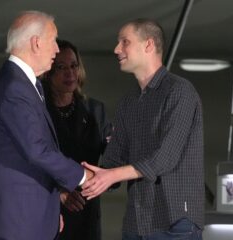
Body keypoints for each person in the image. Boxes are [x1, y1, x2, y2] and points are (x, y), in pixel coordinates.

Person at [0, 11, 92, 240]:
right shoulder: (14, 88)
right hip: (14, 223)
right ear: (36, 43)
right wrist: (85, 176)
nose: (57, 50)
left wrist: (49, 208)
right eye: (53, 41)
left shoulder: (25, 84)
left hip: (26, 218)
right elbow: (37, 150)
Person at [81, 18, 204, 240]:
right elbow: (113, 158)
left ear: (148, 45)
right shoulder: (129, 102)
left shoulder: (180, 92)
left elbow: (165, 158)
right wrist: (81, 177)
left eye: (124, 42)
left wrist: (111, 175)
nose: (116, 49)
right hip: (136, 224)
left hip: (174, 223)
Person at [42, 39, 111, 240]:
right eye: (61, 67)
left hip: (86, 210)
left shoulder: (95, 110)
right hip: (51, 211)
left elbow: (113, 155)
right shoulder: (39, 112)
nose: (70, 73)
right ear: (48, 71)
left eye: (73, 66)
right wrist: (58, 193)